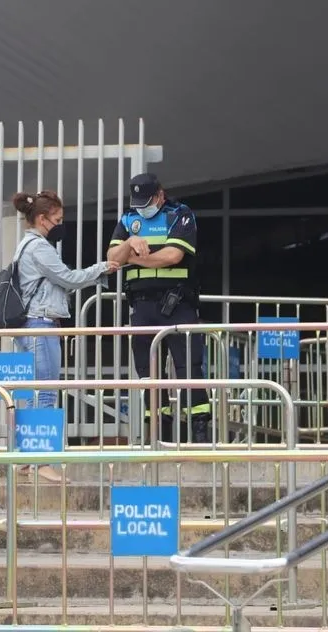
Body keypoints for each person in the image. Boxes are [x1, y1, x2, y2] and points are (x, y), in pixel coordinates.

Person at [11, 190, 119, 482]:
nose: (60, 224)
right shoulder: (39, 247)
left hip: (31, 325)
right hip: (40, 324)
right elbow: (68, 278)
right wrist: (103, 268)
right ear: (43, 219)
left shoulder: (26, 246)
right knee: (44, 390)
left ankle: (26, 457)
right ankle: (42, 461)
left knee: (34, 394)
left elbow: (61, 284)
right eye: (57, 219)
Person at [107, 173, 212, 444]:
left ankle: (199, 432)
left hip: (178, 304)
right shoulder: (129, 219)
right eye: (138, 201)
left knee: (189, 367)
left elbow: (173, 256)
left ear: (160, 195)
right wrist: (129, 244)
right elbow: (112, 258)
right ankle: (156, 434)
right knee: (147, 371)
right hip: (142, 306)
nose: (143, 206)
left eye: (147, 200)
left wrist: (135, 258)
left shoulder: (179, 214)